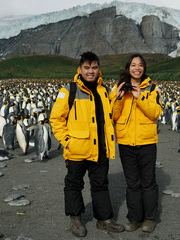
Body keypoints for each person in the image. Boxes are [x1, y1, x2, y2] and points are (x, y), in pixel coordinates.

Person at [49, 51, 124, 237]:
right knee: (74, 184)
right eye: (87, 68)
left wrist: (119, 99)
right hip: (77, 148)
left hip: (101, 148)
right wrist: (67, 142)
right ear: (80, 69)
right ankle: (75, 219)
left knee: (100, 184)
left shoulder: (104, 91)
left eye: (94, 67)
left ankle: (104, 219)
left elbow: (112, 117)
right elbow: (56, 119)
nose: (91, 71)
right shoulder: (69, 90)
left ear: (99, 69)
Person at [110, 53, 162, 233]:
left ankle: (150, 218)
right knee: (132, 183)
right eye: (133, 65)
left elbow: (155, 112)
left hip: (147, 142)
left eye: (140, 65)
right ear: (128, 67)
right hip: (126, 142)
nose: (137, 68)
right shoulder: (119, 88)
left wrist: (140, 97)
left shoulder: (152, 89)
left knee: (148, 182)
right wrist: (117, 98)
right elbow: (113, 115)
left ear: (144, 68)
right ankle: (134, 218)